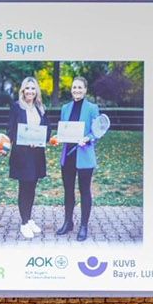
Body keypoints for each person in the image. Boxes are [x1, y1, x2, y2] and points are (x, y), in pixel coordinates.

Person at [55, 76, 102, 241]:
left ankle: (83, 226)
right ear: (71, 89)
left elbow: (98, 131)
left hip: (84, 156)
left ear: (85, 90)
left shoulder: (92, 108)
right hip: (68, 155)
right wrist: (58, 137)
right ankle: (68, 222)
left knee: (84, 191)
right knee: (68, 191)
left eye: (80, 88)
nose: (76, 90)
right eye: (74, 87)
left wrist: (88, 138)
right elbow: (64, 129)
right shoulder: (65, 108)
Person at [4, 76, 50, 238]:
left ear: (36, 91)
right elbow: (11, 129)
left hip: (37, 154)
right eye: (27, 88)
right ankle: (24, 223)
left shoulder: (40, 108)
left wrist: (40, 140)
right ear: (23, 91)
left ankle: (28, 218)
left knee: (32, 187)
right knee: (24, 188)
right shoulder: (17, 107)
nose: (30, 91)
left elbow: (47, 128)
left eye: (33, 88)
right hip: (22, 155)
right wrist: (20, 141)